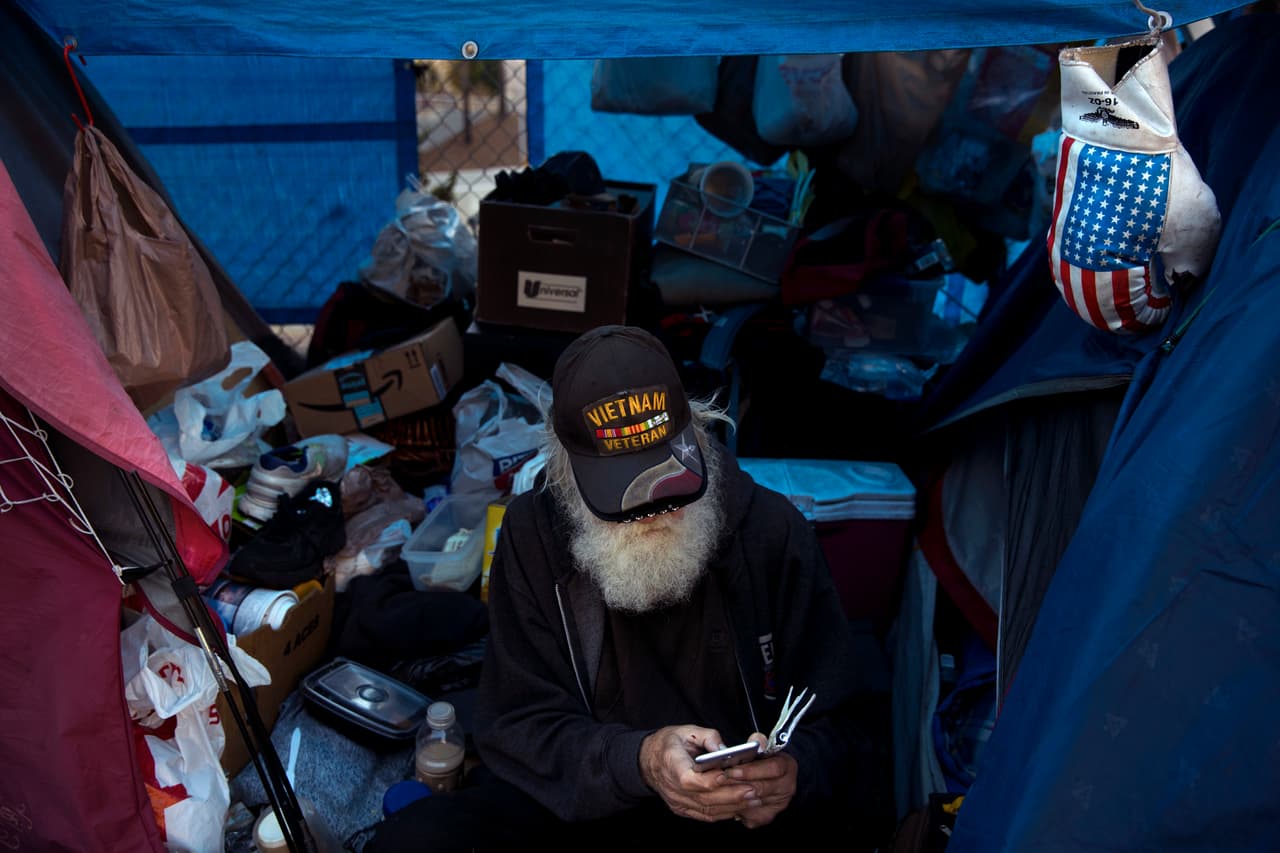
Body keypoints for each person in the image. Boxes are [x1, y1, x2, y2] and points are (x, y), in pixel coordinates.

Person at [367, 324, 881, 852]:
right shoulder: (532, 536)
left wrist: (796, 771)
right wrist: (639, 761)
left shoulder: (772, 533)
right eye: (627, 495)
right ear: (567, 469)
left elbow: (844, 723)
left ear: (699, 432)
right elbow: (518, 724)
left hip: (736, 820)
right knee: (415, 840)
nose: (655, 509)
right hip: (590, 802)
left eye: (668, 481)